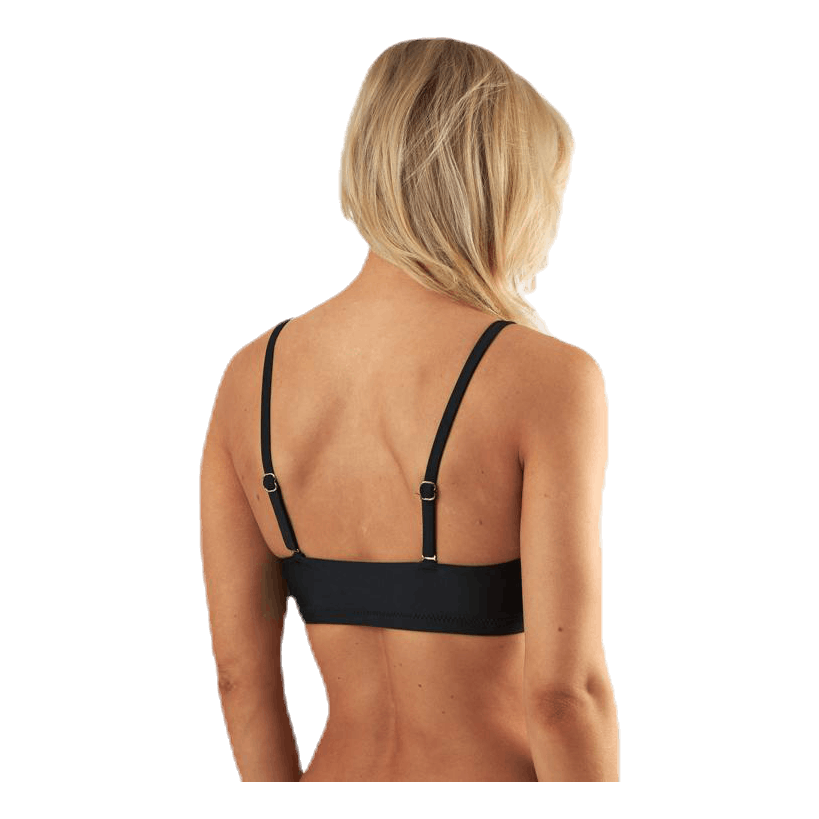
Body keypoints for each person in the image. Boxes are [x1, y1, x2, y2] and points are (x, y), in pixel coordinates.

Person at [199, 36, 618, 782]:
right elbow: (564, 697)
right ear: (501, 185)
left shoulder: (248, 378)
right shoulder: (548, 378)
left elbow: (240, 679)